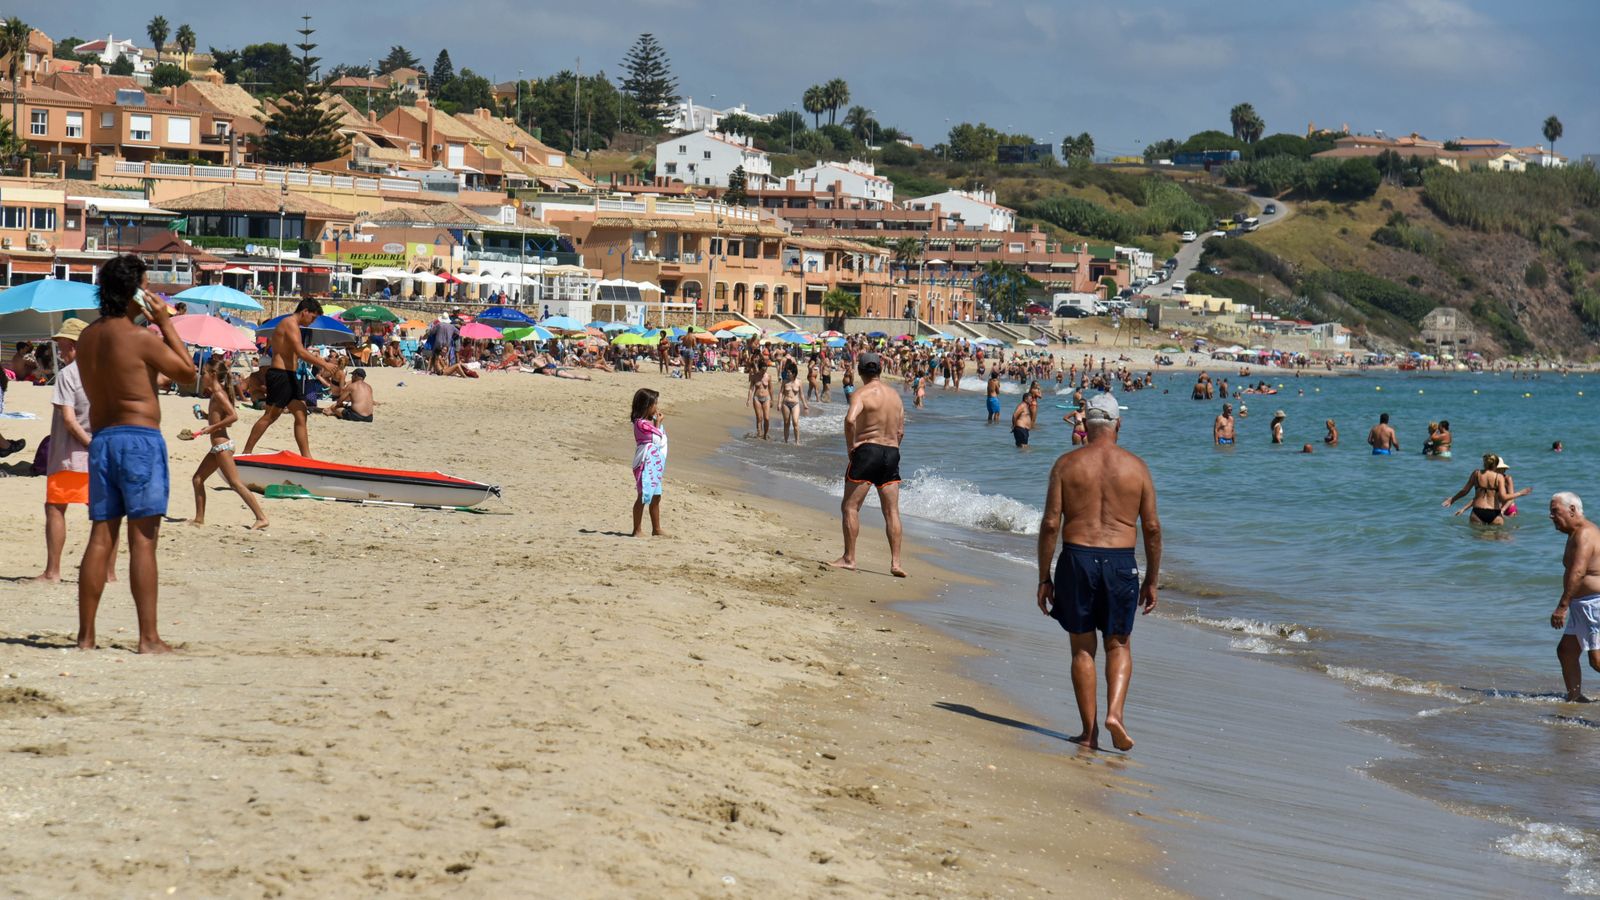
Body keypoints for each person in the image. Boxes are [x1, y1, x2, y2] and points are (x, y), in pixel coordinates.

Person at [74, 254, 197, 654]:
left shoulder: (87, 337)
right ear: (136, 292)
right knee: (143, 541)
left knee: (100, 537)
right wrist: (164, 322)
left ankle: (86, 637)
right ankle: (148, 638)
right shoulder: (140, 336)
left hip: (103, 439)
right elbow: (188, 373)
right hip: (139, 439)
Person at [1036, 393, 1161, 752]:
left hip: (1077, 558)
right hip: (1122, 561)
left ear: (1085, 426)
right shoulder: (1136, 468)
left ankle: (1088, 733)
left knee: (1082, 648)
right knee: (1119, 643)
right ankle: (1115, 714)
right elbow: (1151, 528)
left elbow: (1049, 524)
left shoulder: (1066, 465)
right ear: (1117, 424)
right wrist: (1152, 579)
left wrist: (1044, 576)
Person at [34, 319, 115, 584]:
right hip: (104, 453)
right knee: (105, 515)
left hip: (72, 457)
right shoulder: (106, 371)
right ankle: (109, 573)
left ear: (73, 345)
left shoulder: (70, 373)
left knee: (56, 508)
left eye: (62, 346)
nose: (60, 351)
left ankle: (52, 572)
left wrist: (90, 444)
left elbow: (68, 420)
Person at [830, 353, 906, 577]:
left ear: (860, 372)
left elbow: (850, 420)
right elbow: (900, 431)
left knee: (850, 507)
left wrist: (851, 447)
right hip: (891, 453)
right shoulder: (895, 397)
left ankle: (849, 558)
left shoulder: (860, 394)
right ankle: (896, 563)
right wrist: (893, 447)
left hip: (867, 451)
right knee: (891, 511)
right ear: (880, 370)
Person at [242, 298, 336, 457]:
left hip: (289, 376)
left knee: (301, 413)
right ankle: (246, 452)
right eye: (312, 318)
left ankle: (307, 457)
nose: (312, 322)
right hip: (281, 375)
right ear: (305, 311)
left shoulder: (294, 326)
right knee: (271, 416)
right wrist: (324, 364)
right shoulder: (289, 324)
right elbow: (300, 352)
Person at [184, 357, 269, 529]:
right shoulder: (217, 393)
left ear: (213, 374)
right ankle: (199, 519)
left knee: (235, 483)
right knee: (198, 479)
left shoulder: (219, 394)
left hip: (222, 446)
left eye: (205, 372)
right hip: (218, 447)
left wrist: (212, 427)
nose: (202, 376)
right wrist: (207, 417)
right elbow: (226, 420)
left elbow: (234, 416)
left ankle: (261, 518)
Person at [1549, 492, 1600, 702]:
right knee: (1566, 651)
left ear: (1572, 510)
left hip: (1594, 604)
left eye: (1555, 511)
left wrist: (1562, 606)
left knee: (1597, 661)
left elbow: (1578, 572)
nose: (1551, 516)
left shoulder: (1585, 534)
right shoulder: (1574, 534)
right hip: (1582, 605)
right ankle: (1575, 698)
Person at [630, 388, 668, 537]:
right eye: (654, 404)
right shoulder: (640, 424)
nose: (656, 407)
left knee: (656, 495)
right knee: (643, 494)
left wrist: (655, 422)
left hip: (654, 463)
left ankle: (656, 528)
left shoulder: (647, 422)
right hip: (644, 463)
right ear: (646, 406)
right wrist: (657, 424)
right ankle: (637, 529)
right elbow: (656, 440)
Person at [1444, 453, 1518, 526]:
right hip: (1495, 511)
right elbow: (1479, 497)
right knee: (1497, 535)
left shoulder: (1478, 474)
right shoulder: (1498, 478)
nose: (1501, 471)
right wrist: (1463, 509)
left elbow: (1465, 491)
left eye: (1502, 469)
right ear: (1495, 466)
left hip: (1501, 509)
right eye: (1499, 469)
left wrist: (1453, 499)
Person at [778, 360, 808, 444]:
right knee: (786, 423)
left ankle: (797, 441)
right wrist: (779, 403)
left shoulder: (799, 382)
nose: (787, 374)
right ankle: (786, 441)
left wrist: (805, 405)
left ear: (794, 373)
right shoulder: (785, 381)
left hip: (795, 404)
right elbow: (781, 393)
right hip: (786, 403)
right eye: (787, 372)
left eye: (789, 373)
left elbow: (801, 395)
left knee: (795, 422)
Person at [747, 359, 772, 440]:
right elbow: (751, 388)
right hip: (757, 398)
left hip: (766, 398)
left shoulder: (768, 376)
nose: (764, 371)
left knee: (767, 418)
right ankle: (759, 433)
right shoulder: (755, 376)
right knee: (759, 417)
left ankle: (765, 434)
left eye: (765, 370)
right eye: (763, 370)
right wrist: (748, 399)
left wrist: (772, 400)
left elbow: (771, 389)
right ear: (760, 368)